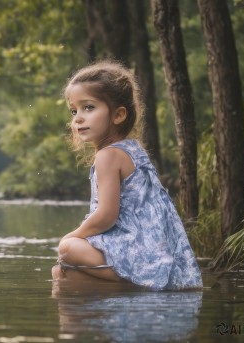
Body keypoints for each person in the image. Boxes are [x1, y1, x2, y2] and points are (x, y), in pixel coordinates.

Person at [51, 60, 203, 291]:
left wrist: (71, 237)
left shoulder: (109, 156)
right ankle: (132, 286)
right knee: (62, 275)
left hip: (140, 254)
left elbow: (106, 216)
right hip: (151, 252)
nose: (78, 118)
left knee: (68, 249)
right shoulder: (131, 149)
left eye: (89, 107)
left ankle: (139, 282)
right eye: (74, 111)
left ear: (119, 115)